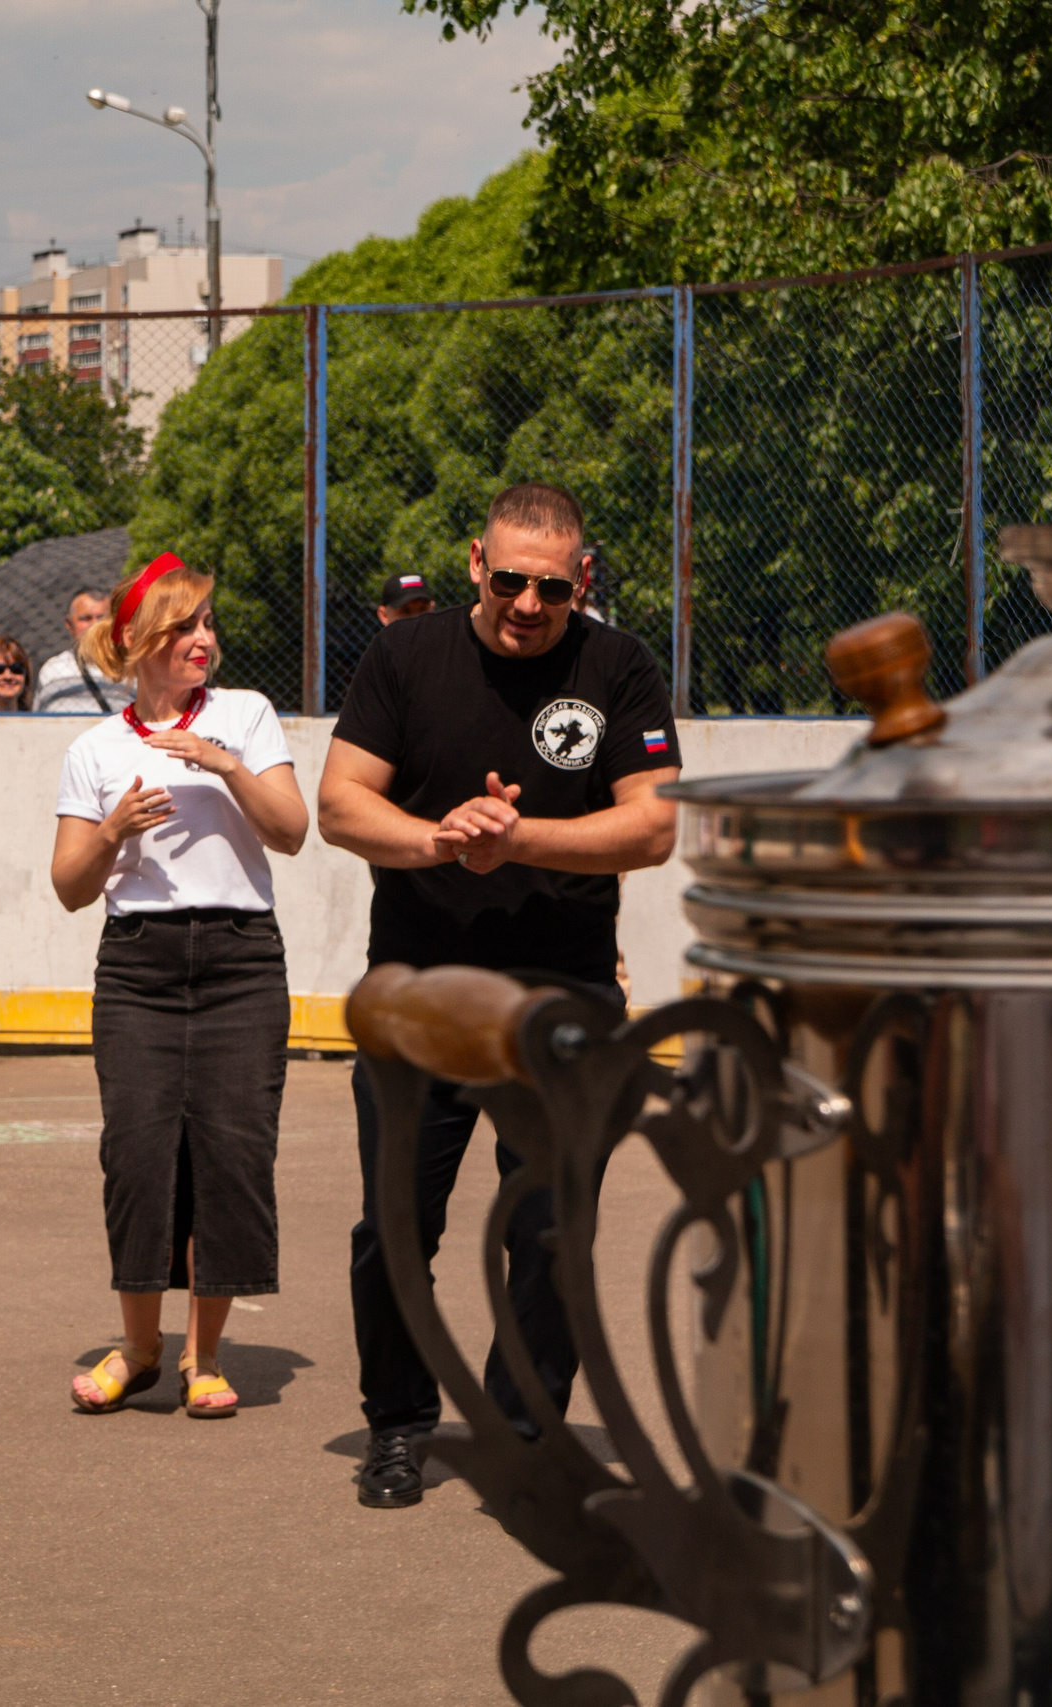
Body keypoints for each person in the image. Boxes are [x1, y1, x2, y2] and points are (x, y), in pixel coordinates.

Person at [318, 483, 678, 1508]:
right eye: (511, 580)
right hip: (418, 990)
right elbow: (341, 803)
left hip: (561, 995)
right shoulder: (404, 657)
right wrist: (439, 840)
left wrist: (519, 840)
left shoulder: (617, 667)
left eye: (551, 588)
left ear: (583, 579)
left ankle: (524, 1436)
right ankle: (397, 1424)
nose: (528, 604)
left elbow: (651, 828)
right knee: (394, 1224)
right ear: (476, 561)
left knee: (551, 1228)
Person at [52, 553, 310, 1419]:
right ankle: (140, 1346)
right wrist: (113, 828)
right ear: (139, 640)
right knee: (137, 1154)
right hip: (138, 966)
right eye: (187, 625)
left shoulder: (246, 716)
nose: (206, 638)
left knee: (230, 1155)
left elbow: (292, 831)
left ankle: (205, 1355)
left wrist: (222, 763)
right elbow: (69, 885)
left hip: (240, 959)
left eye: (208, 622)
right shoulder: (94, 749)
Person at [35, 588, 123, 715]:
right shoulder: (52, 670)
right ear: (69, 625)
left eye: (102, 618)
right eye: (86, 619)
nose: (95, 625)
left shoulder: (130, 670)